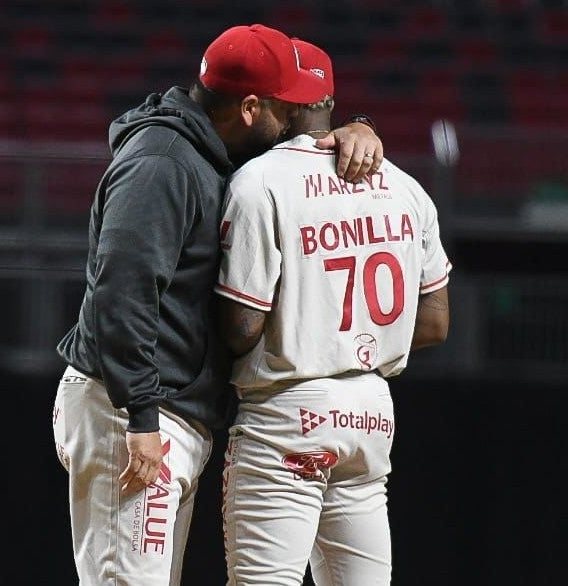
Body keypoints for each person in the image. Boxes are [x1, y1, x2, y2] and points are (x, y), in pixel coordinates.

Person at [51, 24, 383, 586]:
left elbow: (300, 146)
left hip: (165, 408)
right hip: (127, 407)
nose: (300, 125)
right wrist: (139, 415)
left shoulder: (218, 149)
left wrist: (360, 129)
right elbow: (121, 291)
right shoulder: (163, 161)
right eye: (290, 111)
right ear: (250, 106)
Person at [215, 39, 451, 586]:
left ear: (285, 104)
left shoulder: (260, 183)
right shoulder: (404, 186)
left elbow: (241, 328)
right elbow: (436, 322)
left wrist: (307, 325)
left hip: (288, 411)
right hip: (370, 415)